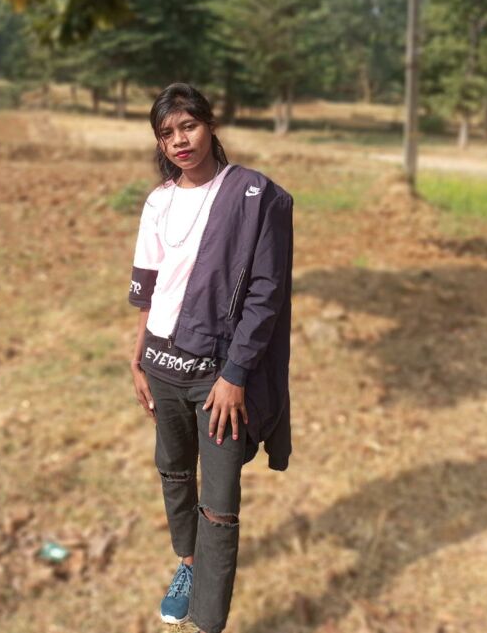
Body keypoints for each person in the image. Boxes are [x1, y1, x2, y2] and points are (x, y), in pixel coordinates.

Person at [128, 83, 293, 633]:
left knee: (219, 504)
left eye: (188, 126)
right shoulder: (158, 201)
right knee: (174, 472)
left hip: (216, 376)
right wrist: (137, 356)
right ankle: (188, 565)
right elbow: (150, 288)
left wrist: (235, 375)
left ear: (210, 125)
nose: (180, 140)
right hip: (161, 364)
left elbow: (266, 294)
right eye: (167, 133)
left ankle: (208, 620)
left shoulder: (252, 196)